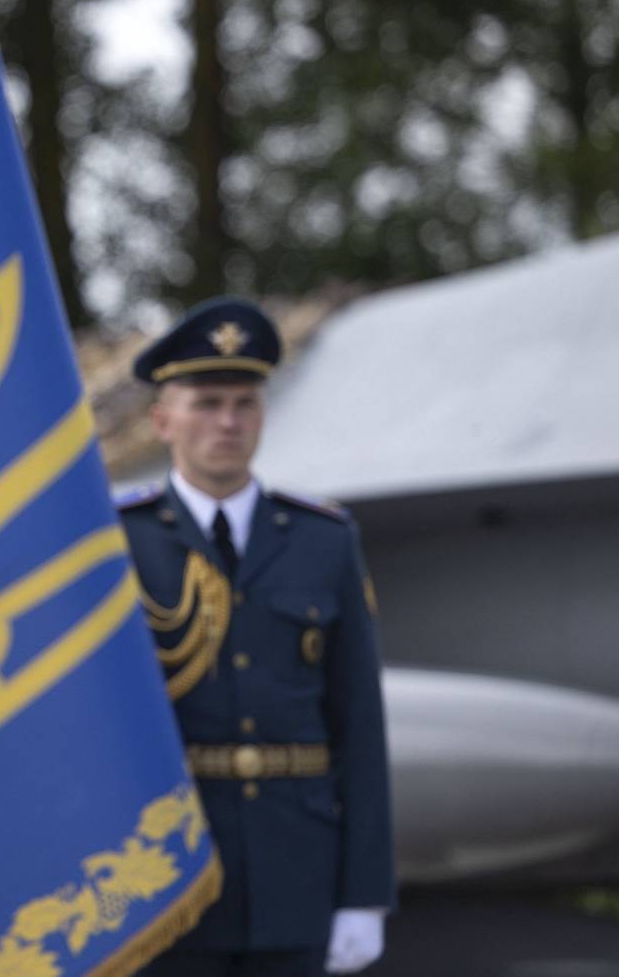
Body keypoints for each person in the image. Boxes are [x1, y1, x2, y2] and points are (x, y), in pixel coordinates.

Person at [117, 297, 394, 977]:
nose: (228, 422)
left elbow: (358, 725)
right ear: (163, 420)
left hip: (294, 876)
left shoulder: (323, 541)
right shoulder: (117, 541)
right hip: (166, 881)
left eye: (245, 403)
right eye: (207, 402)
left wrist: (364, 895)